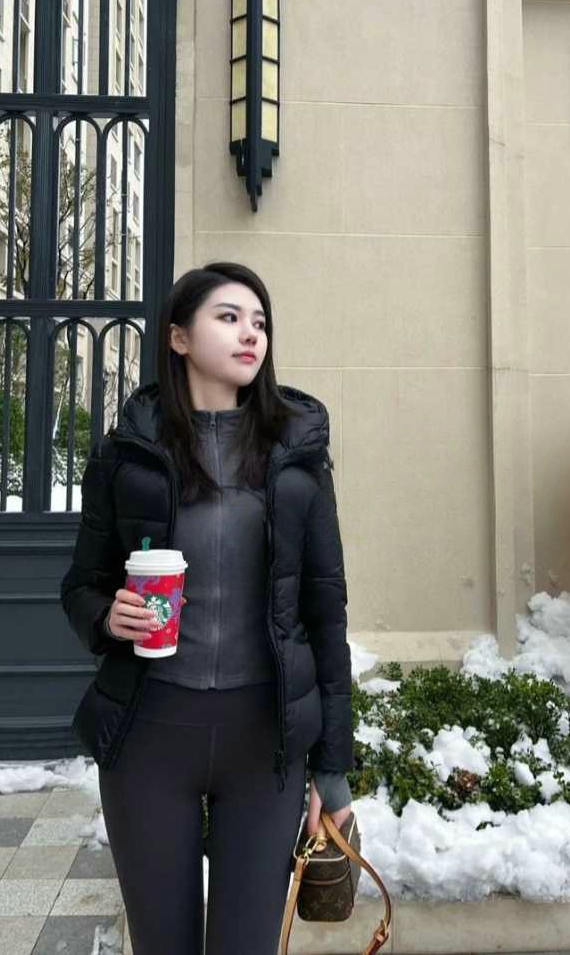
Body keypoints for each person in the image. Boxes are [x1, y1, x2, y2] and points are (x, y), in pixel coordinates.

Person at [60, 261, 355, 954]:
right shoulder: (127, 457)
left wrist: (333, 767)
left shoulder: (297, 458)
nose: (250, 333)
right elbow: (80, 585)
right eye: (229, 317)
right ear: (179, 337)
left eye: (260, 322)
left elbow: (326, 612)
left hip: (264, 745)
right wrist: (108, 617)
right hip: (149, 737)